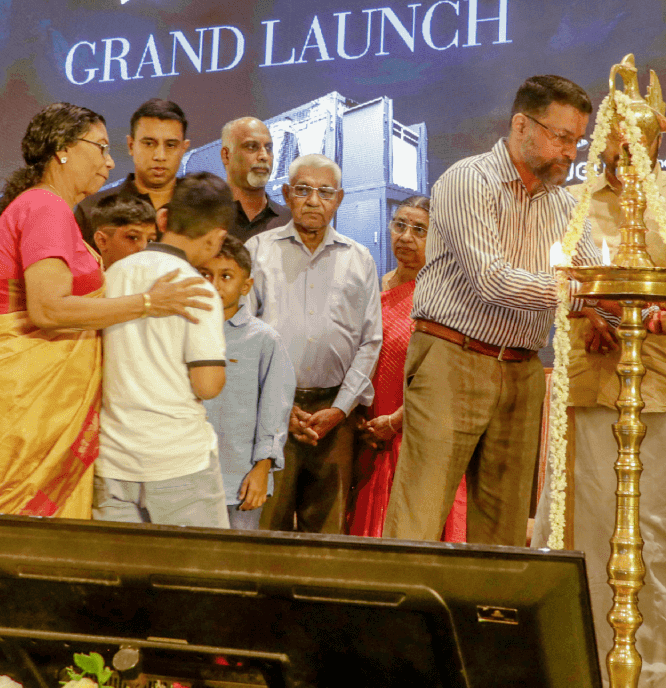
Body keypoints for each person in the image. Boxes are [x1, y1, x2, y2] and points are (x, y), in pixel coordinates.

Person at [0, 103, 212, 518]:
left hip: (33, 401)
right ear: (63, 148)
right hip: (25, 405)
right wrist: (149, 303)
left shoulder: (41, 206)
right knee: (18, 538)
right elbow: (48, 310)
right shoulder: (47, 207)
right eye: (100, 147)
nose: (110, 161)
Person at [382, 74, 601, 546]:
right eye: (560, 137)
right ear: (521, 125)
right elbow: (493, 282)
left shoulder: (566, 206)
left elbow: (593, 281)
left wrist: (625, 305)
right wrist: (583, 292)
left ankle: (488, 620)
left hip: (522, 369)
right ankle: (397, 619)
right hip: (451, 357)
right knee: (419, 514)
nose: (569, 153)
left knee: (500, 529)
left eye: (577, 141)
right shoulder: (467, 180)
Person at [561, 124, 666, 688]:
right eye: (616, 136)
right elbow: (557, 274)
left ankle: (651, 680)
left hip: (653, 382)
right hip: (589, 378)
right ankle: (585, 672)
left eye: (639, 137)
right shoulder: (576, 200)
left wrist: (661, 305)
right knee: (588, 529)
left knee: (652, 533)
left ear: (659, 139)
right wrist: (586, 310)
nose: (625, 148)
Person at [248, 154, 383, 534]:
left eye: (325, 192)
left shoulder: (359, 259)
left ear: (338, 199)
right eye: (303, 190)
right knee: (266, 525)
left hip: (335, 415)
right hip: (271, 413)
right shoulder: (259, 251)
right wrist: (278, 405)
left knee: (328, 532)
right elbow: (242, 334)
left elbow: (371, 341)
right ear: (287, 195)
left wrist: (341, 409)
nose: (313, 200)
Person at [94, 172, 233, 528]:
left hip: (112, 462)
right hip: (179, 463)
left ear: (164, 220)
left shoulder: (110, 276)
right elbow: (207, 384)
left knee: (118, 582)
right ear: (217, 238)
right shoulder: (197, 290)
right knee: (197, 581)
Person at [349, 196, 468, 541]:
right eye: (399, 225)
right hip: (370, 436)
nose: (405, 236)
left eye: (419, 230)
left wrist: (395, 422)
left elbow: (445, 375)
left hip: (418, 436)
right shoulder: (375, 288)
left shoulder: (444, 299)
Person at [198, 236, 296, 529]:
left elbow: (274, 410)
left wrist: (262, 467)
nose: (214, 285)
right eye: (206, 275)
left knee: (234, 564)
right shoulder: (184, 330)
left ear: (246, 286)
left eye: (226, 276)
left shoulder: (263, 340)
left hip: (239, 479)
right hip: (189, 478)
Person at [75, 99, 191, 247]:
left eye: (170, 145)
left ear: (184, 149)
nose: (160, 156)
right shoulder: (92, 210)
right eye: (149, 143)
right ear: (131, 146)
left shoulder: (204, 209)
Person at [220, 117, 291, 243]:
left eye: (268, 148)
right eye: (252, 147)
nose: (264, 156)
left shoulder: (290, 222)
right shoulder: (204, 218)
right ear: (226, 155)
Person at [90, 190, 156, 270]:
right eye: (133, 237)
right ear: (102, 241)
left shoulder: (164, 277)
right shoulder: (76, 280)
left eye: (150, 241)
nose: (144, 248)